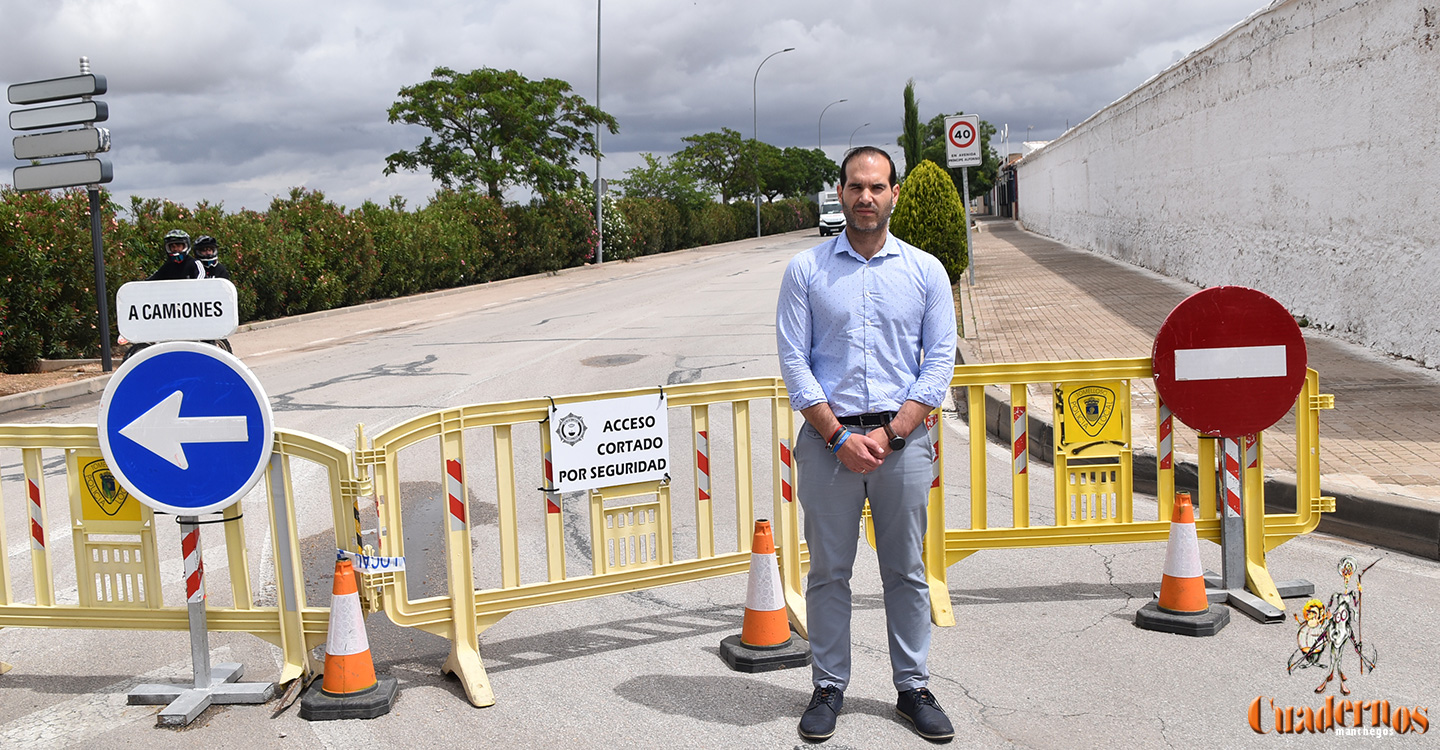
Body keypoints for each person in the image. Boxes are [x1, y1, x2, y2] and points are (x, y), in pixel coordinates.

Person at [775, 146, 958, 743]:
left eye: (877, 187)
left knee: (905, 570)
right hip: (829, 445)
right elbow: (794, 363)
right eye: (856, 186)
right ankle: (828, 685)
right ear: (840, 191)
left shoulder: (926, 272)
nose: (866, 197)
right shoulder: (806, 270)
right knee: (829, 572)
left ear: (894, 194)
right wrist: (837, 436)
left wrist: (890, 432)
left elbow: (937, 366)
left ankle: (913, 687)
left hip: (902, 445)